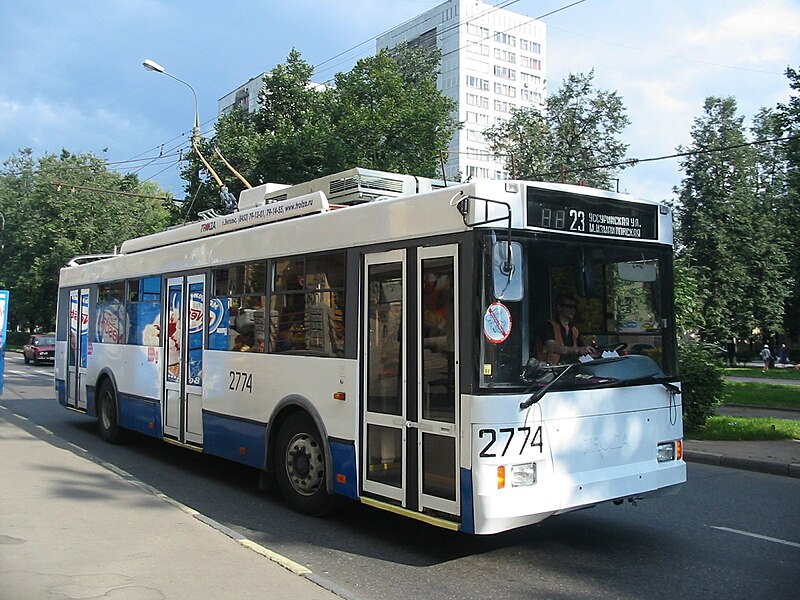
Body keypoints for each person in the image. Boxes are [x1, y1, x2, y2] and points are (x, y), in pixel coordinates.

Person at [538, 294, 596, 364]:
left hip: (569, 369)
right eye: (569, 306)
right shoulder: (548, 326)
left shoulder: (574, 330)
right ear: (559, 307)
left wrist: (590, 351)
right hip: (549, 370)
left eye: (575, 307)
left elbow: (582, 349)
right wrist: (576, 350)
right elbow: (551, 347)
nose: (573, 310)